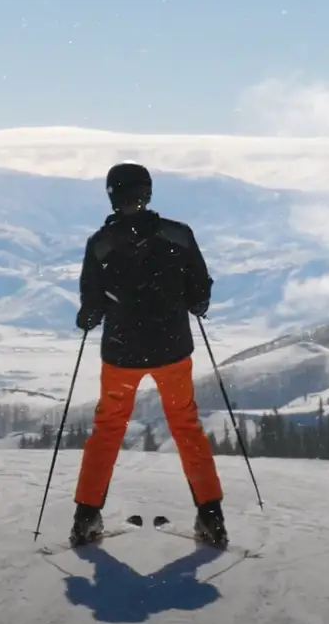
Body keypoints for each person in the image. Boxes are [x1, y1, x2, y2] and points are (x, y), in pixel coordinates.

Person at [70, 162, 228, 549]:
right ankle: (210, 516)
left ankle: (86, 516)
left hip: (121, 354)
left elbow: (89, 310)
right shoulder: (179, 236)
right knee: (186, 428)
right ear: (148, 193)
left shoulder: (101, 244)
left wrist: (96, 311)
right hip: (172, 350)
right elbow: (199, 298)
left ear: (111, 194)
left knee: (107, 431)